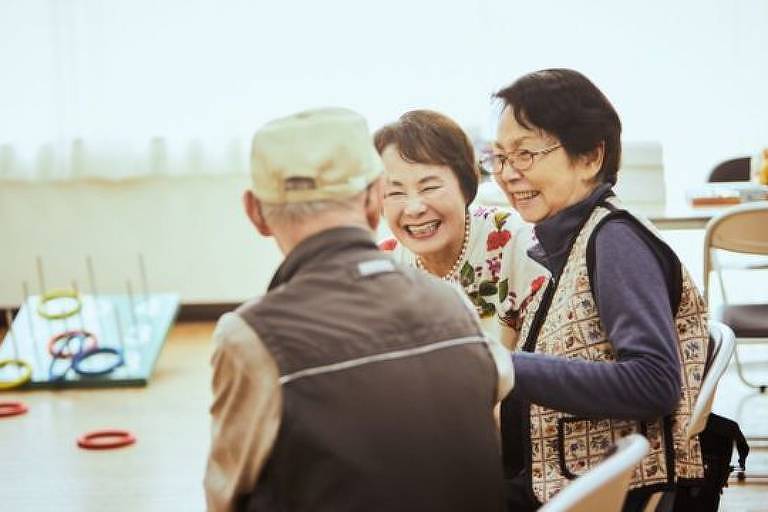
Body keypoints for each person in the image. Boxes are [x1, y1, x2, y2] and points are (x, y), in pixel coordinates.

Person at [204, 107, 513, 512]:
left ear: (255, 212)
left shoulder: (249, 335)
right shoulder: (452, 303)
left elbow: (224, 496)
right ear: (374, 200)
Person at [486, 69, 709, 511]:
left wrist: (506, 368)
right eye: (498, 158)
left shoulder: (615, 240)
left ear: (590, 157)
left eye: (525, 154)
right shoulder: (572, 240)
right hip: (561, 485)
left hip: (597, 496)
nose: (508, 174)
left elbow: (656, 382)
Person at [375, 110, 547, 348]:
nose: (414, 208)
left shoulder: (519, 242)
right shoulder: (382, 267)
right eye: (394, 193)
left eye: (430, 187)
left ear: (466, 186)